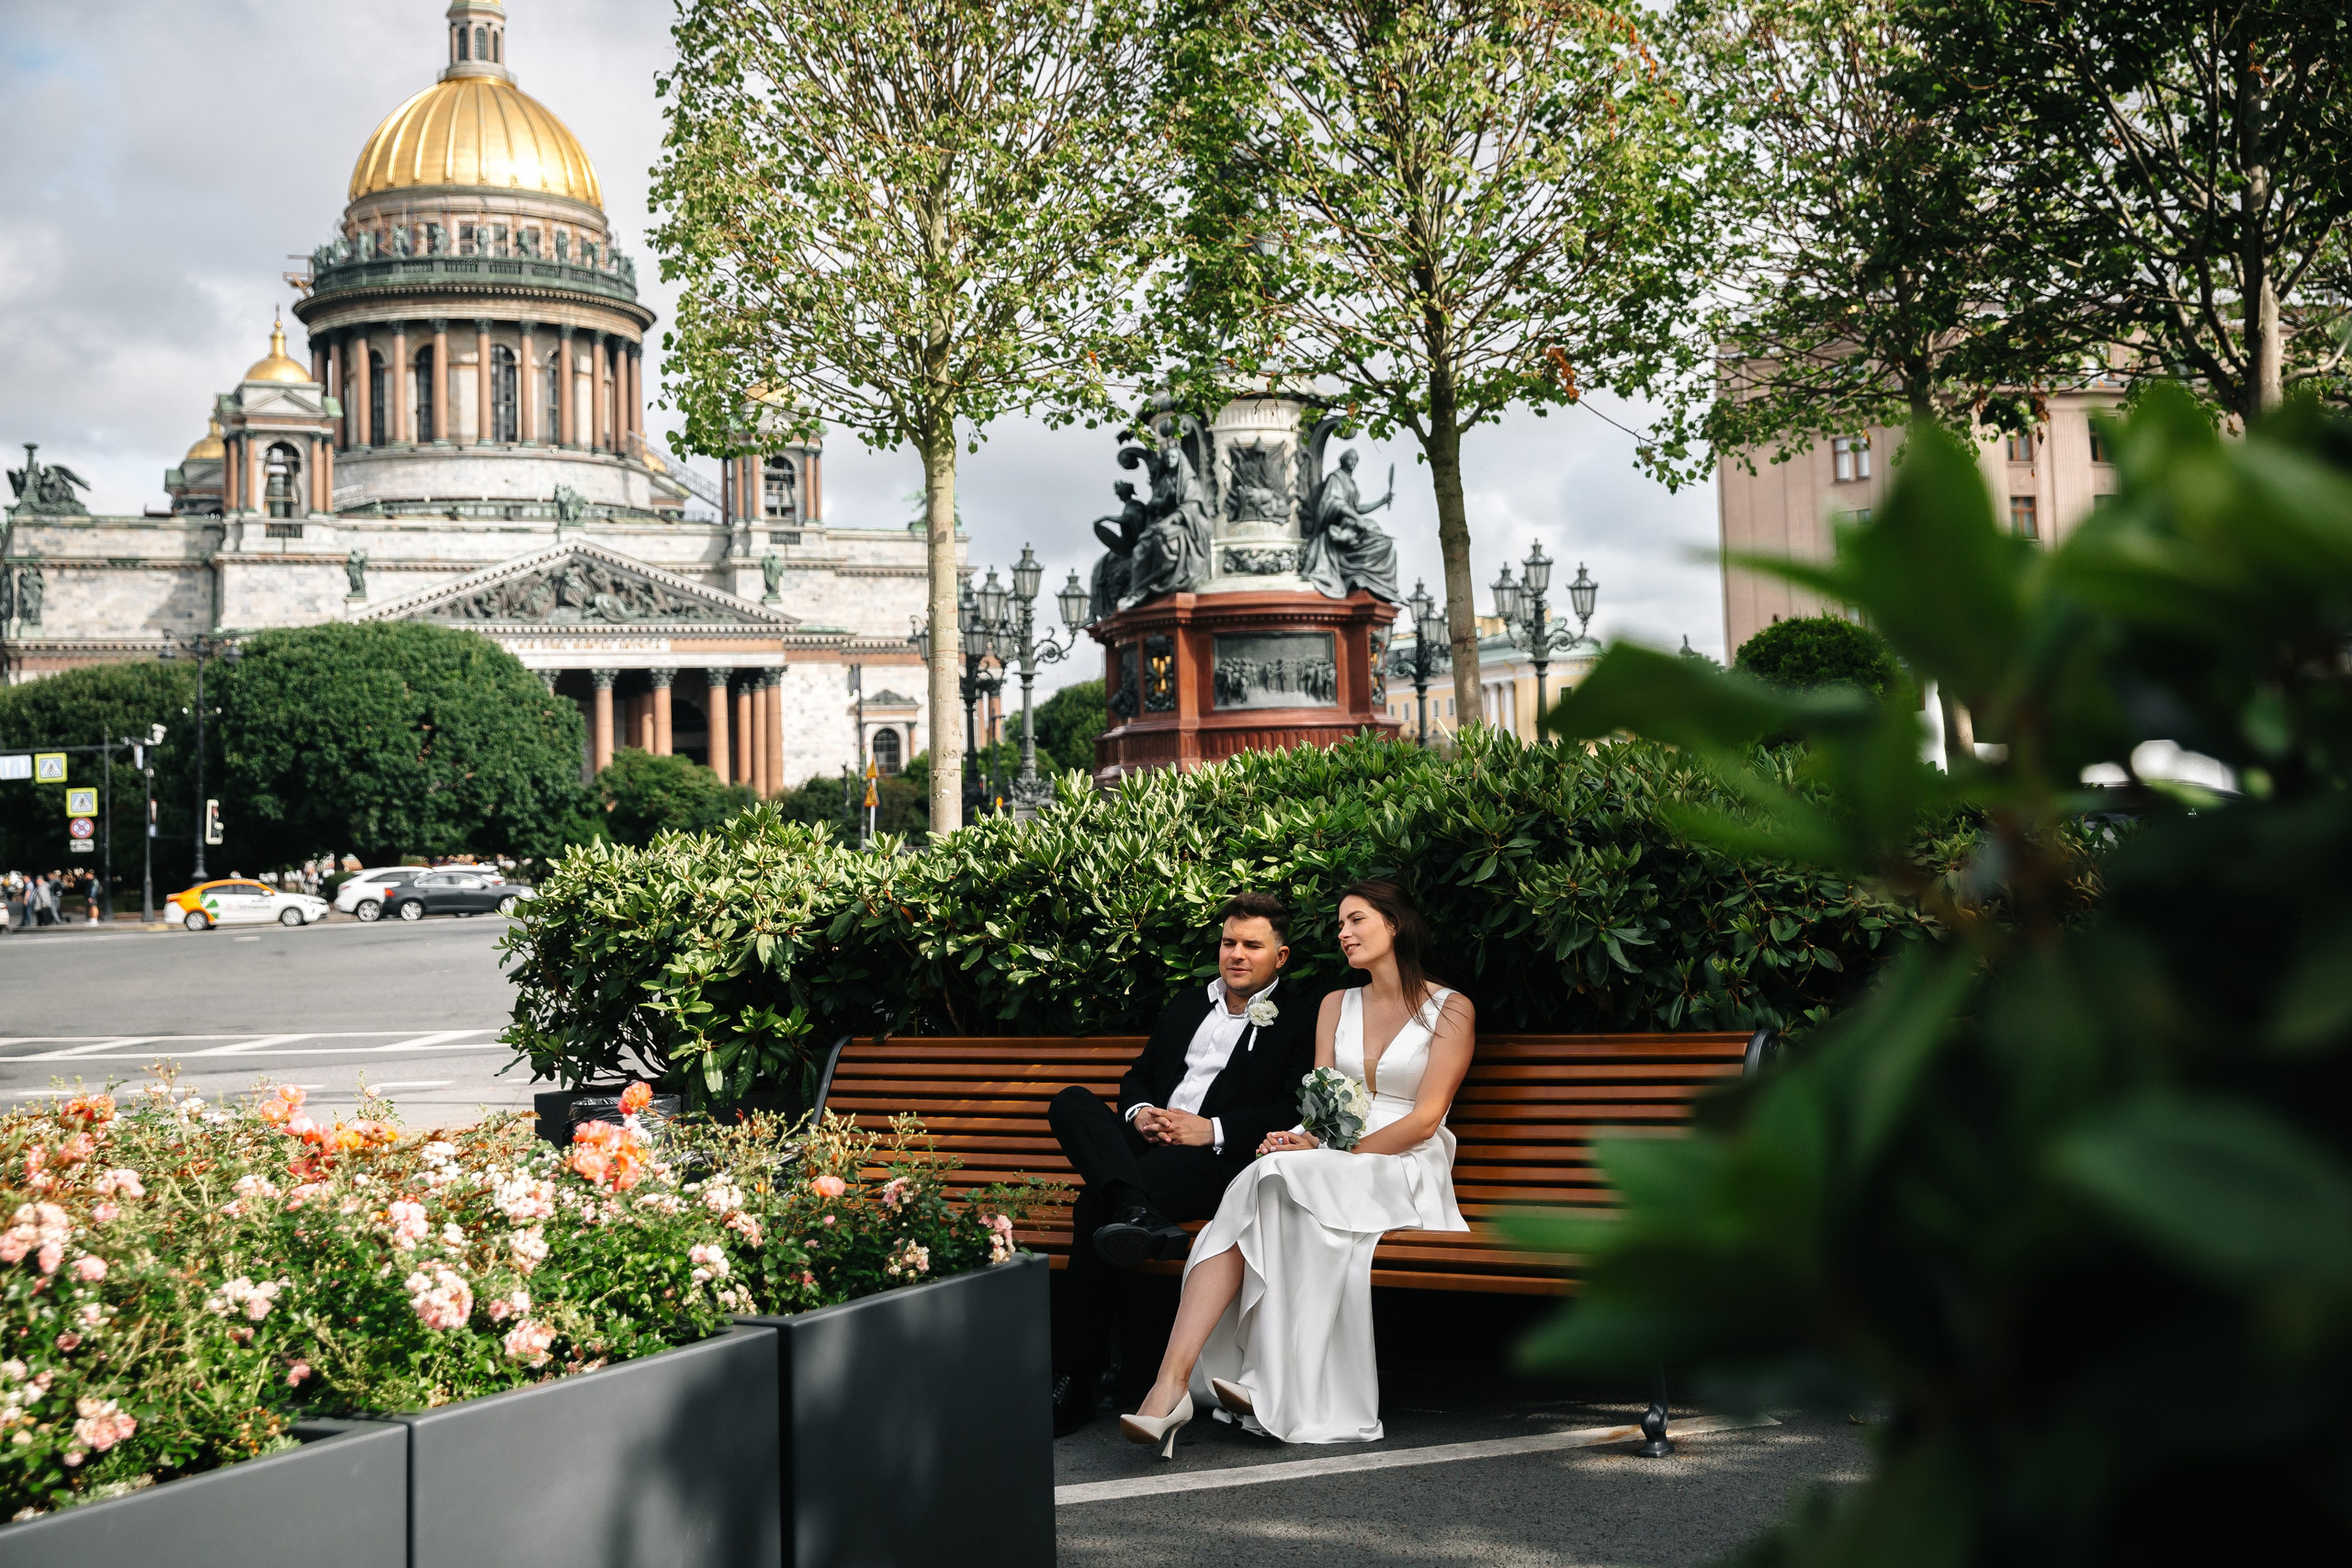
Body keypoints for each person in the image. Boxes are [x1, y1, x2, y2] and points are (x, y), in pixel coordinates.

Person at [1120, 879, 1472, 1453]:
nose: (1343, 933)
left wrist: (1337, 1156)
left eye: (1356, 920)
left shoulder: (1451, 1009)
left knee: (1274, 1180)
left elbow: (1427, 1118)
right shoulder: (1337, 1004)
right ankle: (1170, 1385)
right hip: (1333, 1155)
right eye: (1340, 924)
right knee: (1269, 1173)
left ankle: (1262, 1384)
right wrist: (1300, 1138)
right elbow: (1319, 1099)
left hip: (1404, 1161)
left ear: (1395, 925)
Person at [1045, 891, 1319, 1437]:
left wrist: (1210, 1130)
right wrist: (1143, 1112)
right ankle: (1137, 1210)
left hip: (1216, 1162)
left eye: (1251, 945)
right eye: (1228, 943)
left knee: (1092, 1205)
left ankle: (1073, 1380)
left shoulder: (1300, 1018)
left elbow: (1295, 1104)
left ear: (1280, 957)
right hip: (1149, 1147)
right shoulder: (1188, 1004)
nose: (1236, 954)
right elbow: (1140, 1075)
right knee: (1071, 1101)